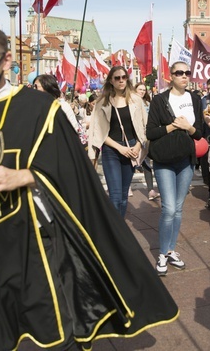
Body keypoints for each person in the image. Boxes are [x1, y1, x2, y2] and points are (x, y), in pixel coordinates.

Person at [0, 23, 177, 350]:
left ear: (6, 60)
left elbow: (75, 172)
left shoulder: (41, 109)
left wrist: (26, 176)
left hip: (37, 239)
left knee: (56, 330)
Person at [146, 61, 204, 276]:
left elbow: (200, 133)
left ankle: (171, 250)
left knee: (178, 208)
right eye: (179, 73)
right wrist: (172, 126)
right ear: (170, 76)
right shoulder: (160, 100)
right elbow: (150, 133)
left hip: (186, 160)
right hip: (164, 160)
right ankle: (162, 253)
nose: (184, 76)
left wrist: (188, 127)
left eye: (187, 73)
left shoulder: (195, 99)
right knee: (169, 208)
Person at [87, 66, 147, 217]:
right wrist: (120, 148)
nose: (121, 80)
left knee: (123, 196)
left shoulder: (136, 100)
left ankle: (119, 228)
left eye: (124, 77)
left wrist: (138, 146)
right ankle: (115, 233)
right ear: (111, 81)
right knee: (115, 196)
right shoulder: (102, 102)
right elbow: (98, 132)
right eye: (117, 78)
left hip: (132, 147)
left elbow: (143, 127)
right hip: (111, 150)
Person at [135, 83, 159, 201]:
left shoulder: (147, 104)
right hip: (133, 136)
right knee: (132, 161)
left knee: (146, 161)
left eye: (144, 90)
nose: (142, 91)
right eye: (140, 89)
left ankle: (150, 190)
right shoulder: (130, 102)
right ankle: (127, 187)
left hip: (146, 136)